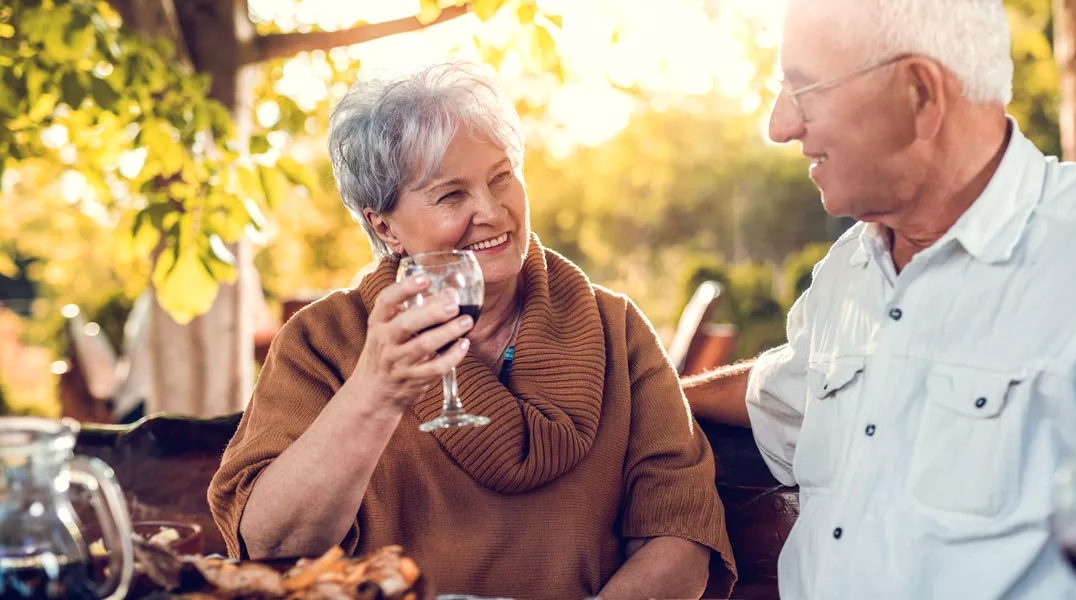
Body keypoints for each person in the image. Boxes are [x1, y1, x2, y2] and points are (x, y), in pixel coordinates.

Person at [684, 0, 1076, 598]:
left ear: (920, 94)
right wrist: (647, 393)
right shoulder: (849, 270)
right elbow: (790, 391)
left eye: (802, 89)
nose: (780, 125)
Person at [208, 61, 736, 600]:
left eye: (502, 177)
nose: (490, 211)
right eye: (450, 195)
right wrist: (374, 394)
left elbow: (681, 537)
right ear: (384, 227)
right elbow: (268, 545)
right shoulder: (323, 343)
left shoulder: (616, 330)